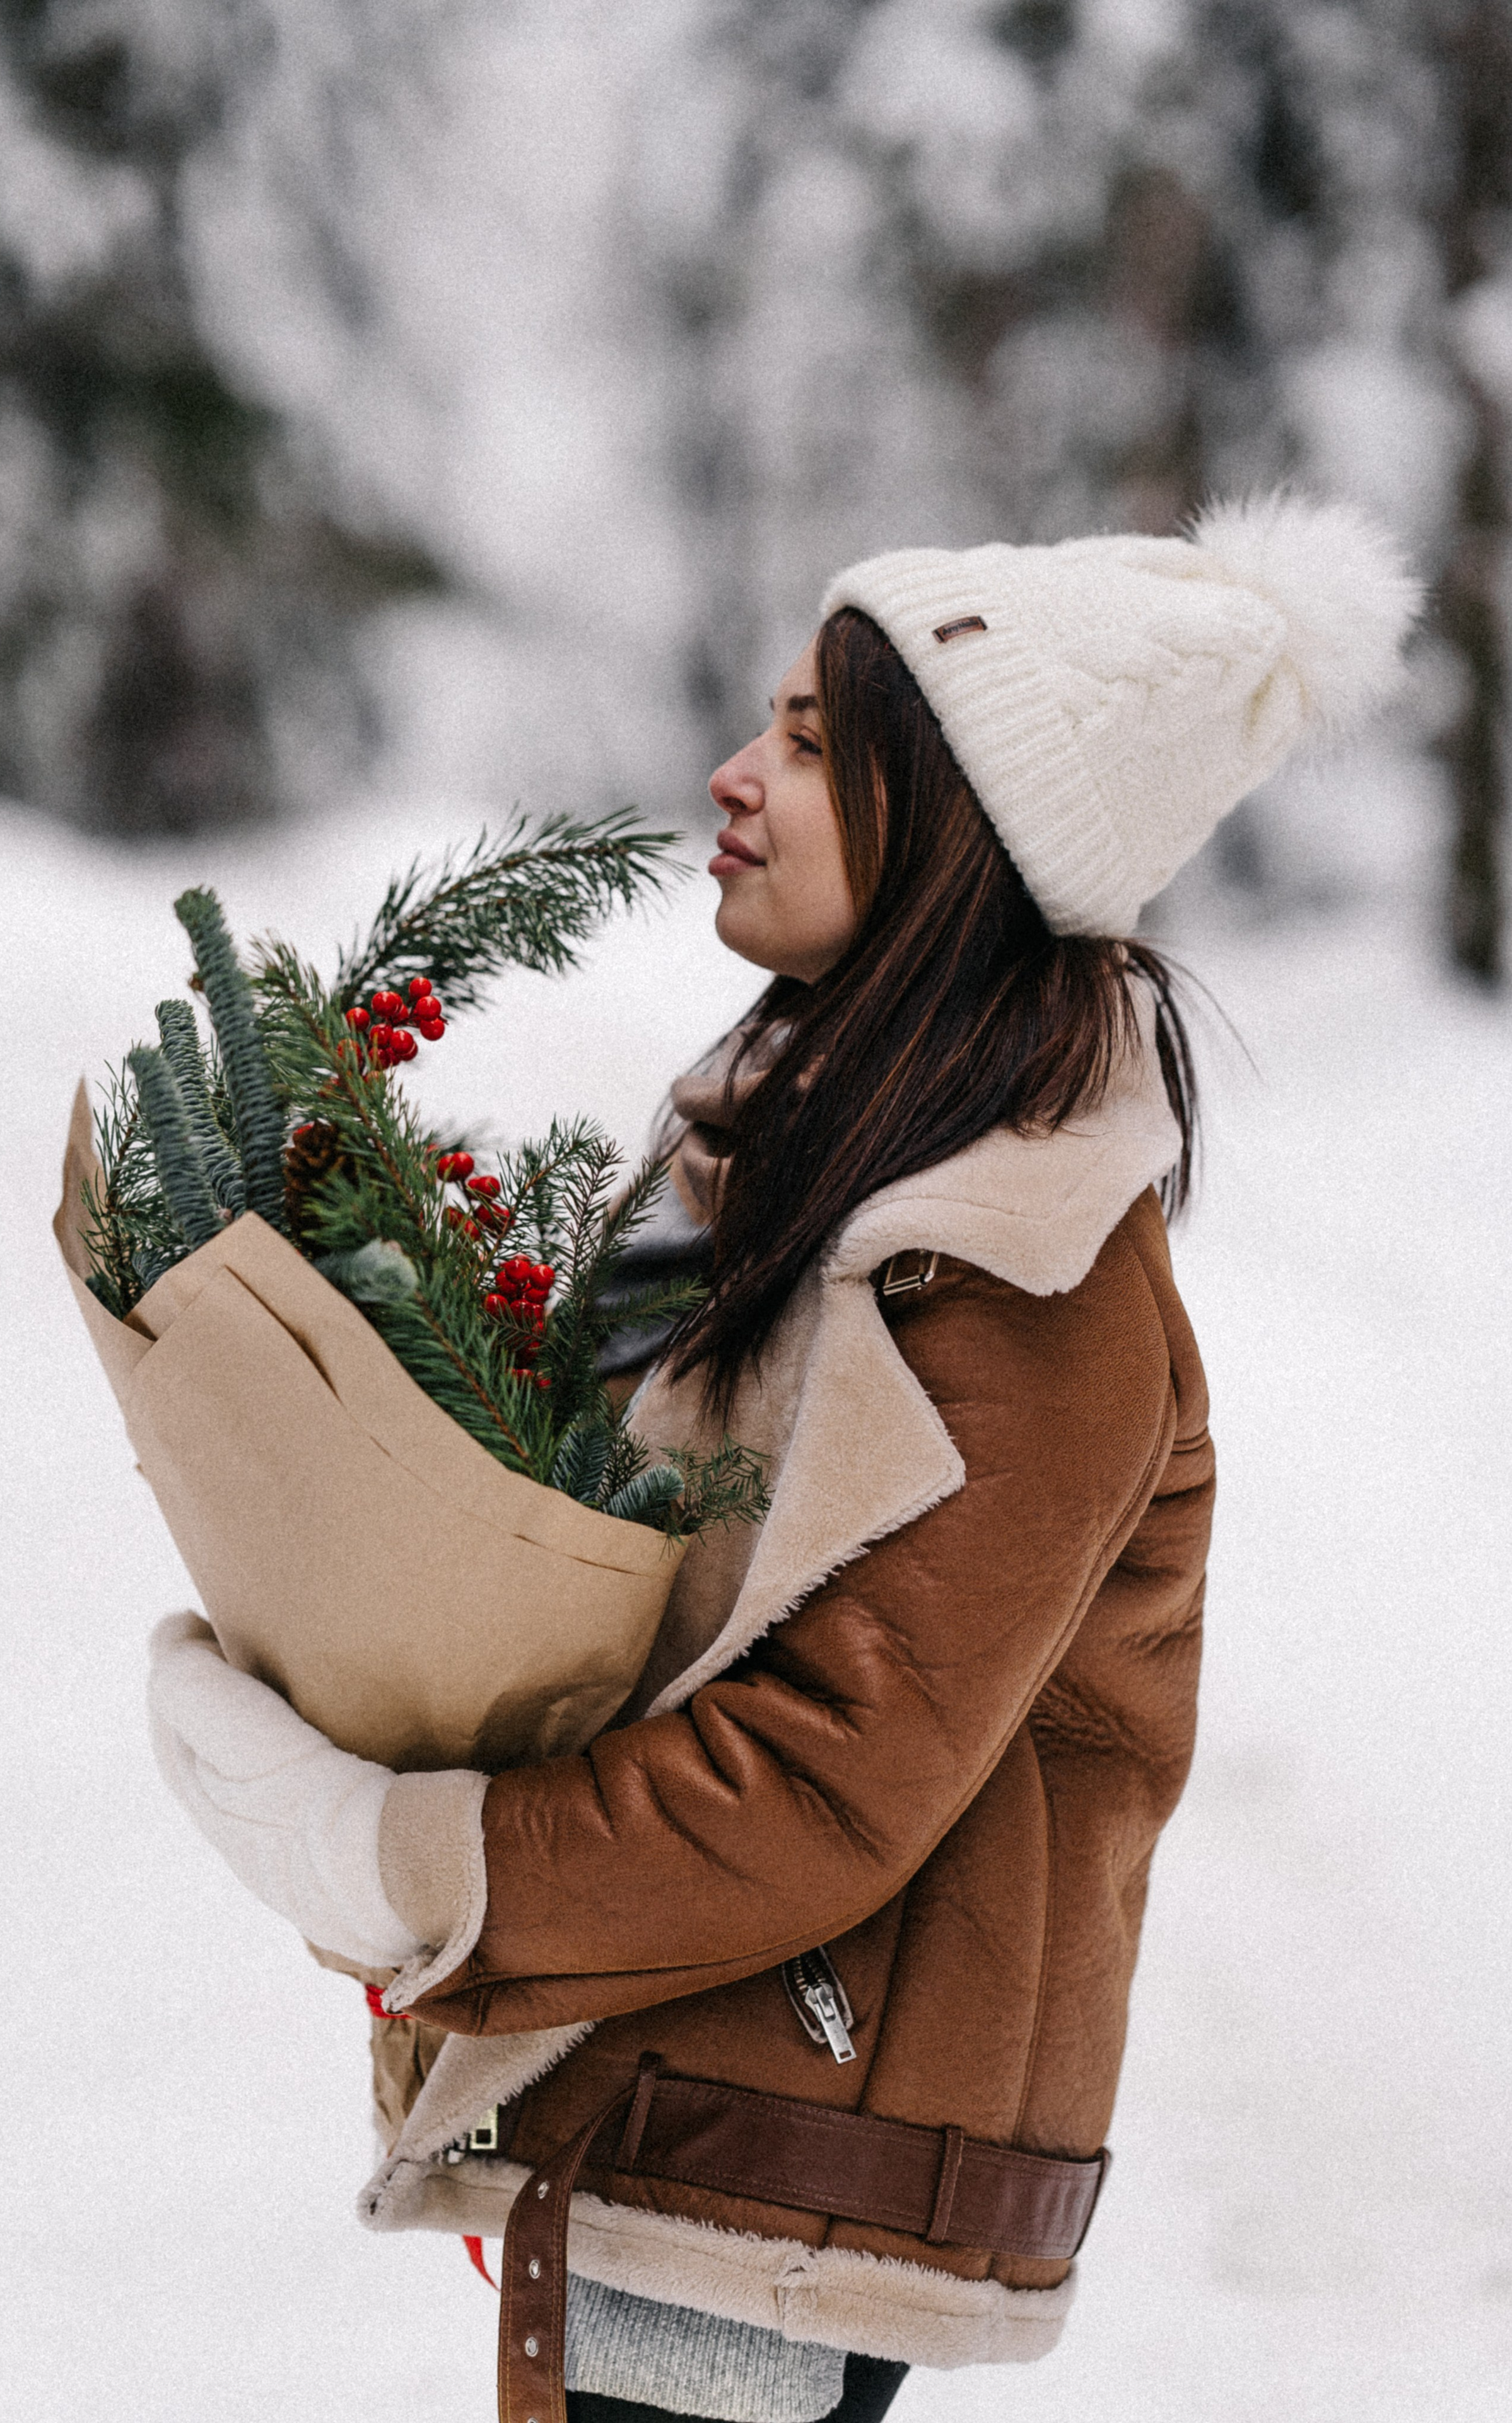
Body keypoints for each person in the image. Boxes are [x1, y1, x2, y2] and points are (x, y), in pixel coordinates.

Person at [148, 495, 1421, 2423]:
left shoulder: (1034, 1282)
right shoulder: (766, 1159)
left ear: (964, 832)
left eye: (815, 746)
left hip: (777, 2176)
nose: (736, 777)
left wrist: (399, 1853)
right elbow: (597, 1545)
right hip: (667, 2106)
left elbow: (825, 1783)